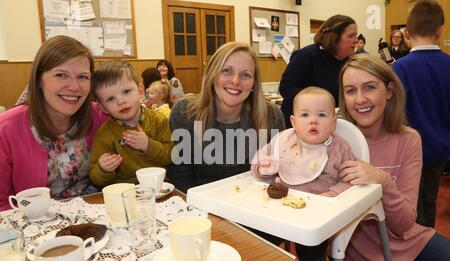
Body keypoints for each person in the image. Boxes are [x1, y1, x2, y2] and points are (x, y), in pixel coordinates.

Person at [339, 53, 450, 261]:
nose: (360, 99)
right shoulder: (336, 141)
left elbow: (404, 224)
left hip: (412, 238)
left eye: (369, 87)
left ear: (389, 90)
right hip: (360, 259)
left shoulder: (409, 139)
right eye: (350, 90)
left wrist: (383, 181)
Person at [0, 35, 107, 209]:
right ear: (38, 80)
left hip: (96, 216)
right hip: (34, 226)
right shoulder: (5, 129)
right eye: (61, 75)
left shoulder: (101, 116)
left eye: (83, 77)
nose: (74, 87)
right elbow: (1, 204)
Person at [169, 41, 285, 194]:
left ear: (253, 83)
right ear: (212, 74)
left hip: (255, 203)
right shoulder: (185, 113)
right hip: (201, 206)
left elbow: (278, 175)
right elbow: (181, 177)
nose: (235, 81)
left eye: (246, 75)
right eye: (227, 71)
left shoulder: (271, 116)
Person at [392, 0, 450, 228]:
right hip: (441, 149)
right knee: (429, 200)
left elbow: (394, 113)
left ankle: (415, 249)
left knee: (408, 205)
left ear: (406, 32)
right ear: (439, 31)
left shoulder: (399, 68)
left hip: (407, 151)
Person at [251, 86, 354, 197]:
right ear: (294, 122)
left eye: (321, 115)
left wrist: (332, 195)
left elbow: (351, 180)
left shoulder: (340, 148)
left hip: (321, 207)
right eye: (305, 115)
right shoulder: (283, 140)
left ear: (334, 123)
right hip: (282, 203)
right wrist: (263, 168)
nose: (313, 121)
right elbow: (259, 158)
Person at [89, 60, 173, 188]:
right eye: (110, 99)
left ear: (140, 91)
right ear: (102, 107)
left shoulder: (158, 120)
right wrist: (103, 169)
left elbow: (171, 156)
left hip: (160, 187)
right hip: (125, 193)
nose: (121, 101)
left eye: (126, 91)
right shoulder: (105, 133)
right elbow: (97, 179)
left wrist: (148, 145)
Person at [279, 15, 357, 128]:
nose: (356, 41)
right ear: (334, 37)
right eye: (351, 36)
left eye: (356, 35)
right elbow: (286, 87)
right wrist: (317, 103)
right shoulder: (307, 56)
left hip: (329, 124)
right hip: (300, 124)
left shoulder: (350, 61)